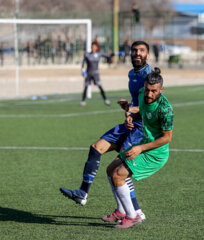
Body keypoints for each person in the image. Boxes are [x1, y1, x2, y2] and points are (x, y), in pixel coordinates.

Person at [60, 41, 153, 221]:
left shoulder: (150, 75)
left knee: (119, 169)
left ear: (148, 55)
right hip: (129, 124)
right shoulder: (132, 73)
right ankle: (82, 193)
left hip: (141, 129)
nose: (137, 53)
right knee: (96, 147)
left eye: (142, 51)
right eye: (134, 51)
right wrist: (129, 107)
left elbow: (151, 106)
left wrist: (132, 111)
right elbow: (138, 102)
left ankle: (136, 211)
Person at [102, 67, 173, 228]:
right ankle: (121, 211)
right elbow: (142, 111)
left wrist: (140, 148)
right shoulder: (142, 93)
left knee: (118, 175)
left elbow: (167, 137)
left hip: (155, 154)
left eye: (154, 91)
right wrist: (130, 116)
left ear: (161, 90)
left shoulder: (165, 109)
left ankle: (133, 216)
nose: (149, 94)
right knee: (110, 169)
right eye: (147, 90)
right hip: (143, 145)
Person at [79, 42, 111, 106]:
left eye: (94, 46)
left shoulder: (99, 54)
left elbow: (108, 56)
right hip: (88, 73)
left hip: (96, 74)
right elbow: (83, 63)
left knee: (100, 86)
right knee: (86, 87)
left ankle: (106, 100)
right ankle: (83, 101)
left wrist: (112, 54)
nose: (93, 48)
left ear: (96, 48)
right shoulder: (87, 54)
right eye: (92, 46)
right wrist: (82, 70)